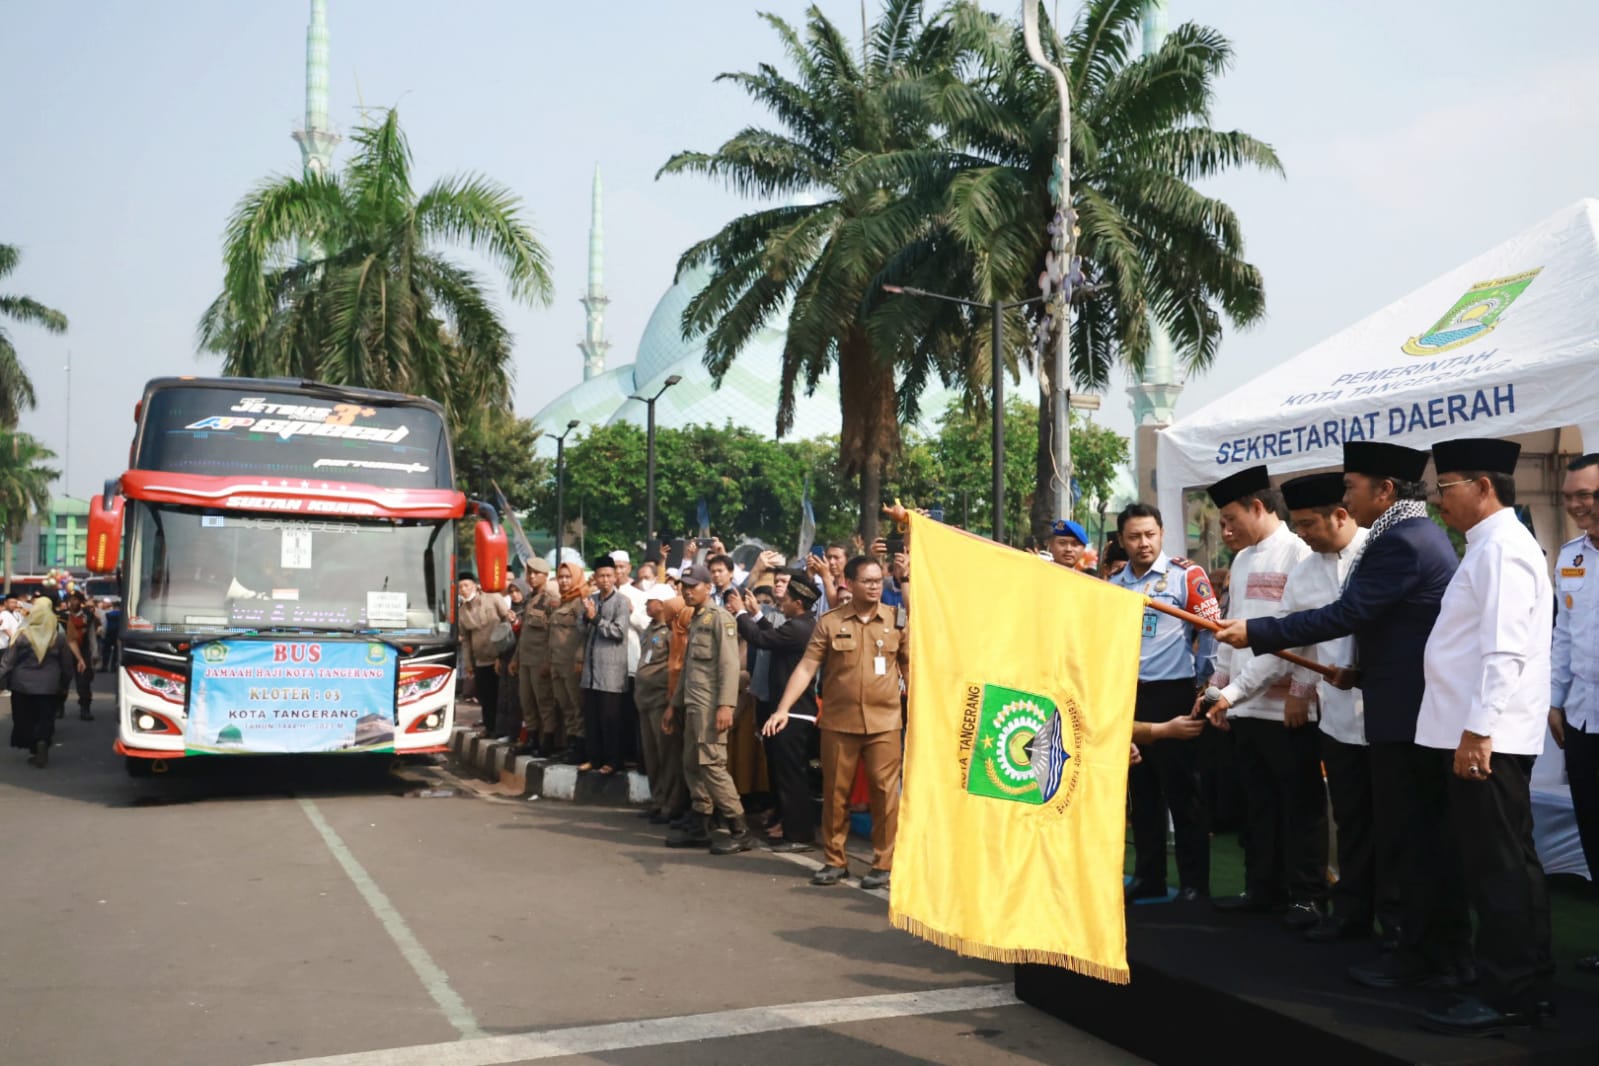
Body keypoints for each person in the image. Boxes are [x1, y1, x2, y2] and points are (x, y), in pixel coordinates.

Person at [1218, 441, 1467, 987]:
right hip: (1362, 712)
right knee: (1362, 825)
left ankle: (1421, 948)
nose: (1347, 497)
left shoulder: (1399, 541)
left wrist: (1260, 633)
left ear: (1384, 491)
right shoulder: (1396, 537)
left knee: (1407, 837)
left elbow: (1351, 615)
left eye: (1351, 488)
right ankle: (1382, 929)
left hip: (1402, 715)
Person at [1416, 438, 1554, 1035]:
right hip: (1478, 734)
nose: (1438, 500)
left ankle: (1510, 993)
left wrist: (1478, 731)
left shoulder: (1501, 549)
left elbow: (1504, 650)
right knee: (1504, 865)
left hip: (1485, 739)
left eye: (1445, 488)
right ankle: (1521, 982)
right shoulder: (1487, 546)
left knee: (1499, 869)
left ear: (1483, 486)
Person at [1200, 466, 1323, 923]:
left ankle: (1306, 896)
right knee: (1258, 804)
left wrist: (1302, 689)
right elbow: (1230, 631)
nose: (1227, 530)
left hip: (1287, 708)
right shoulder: (1243, 559)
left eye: (1232, 519)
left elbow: (1302, 634)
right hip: (1242, 704)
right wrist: (1218, 688)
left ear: (1258, 506)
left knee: (1299, 806)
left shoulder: (1299, 553)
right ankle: (1262, 887)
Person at [1278, 472, 1391, 944]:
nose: (1300, 534)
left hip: (1389, 716)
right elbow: (1294, 637)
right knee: (1351, 822)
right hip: (1339, 718)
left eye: (1307, 524)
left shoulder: (1379, 551)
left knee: (1396, 824)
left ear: (1340, 515)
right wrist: (1304, 686)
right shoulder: (1303, 572)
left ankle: (1401, 925)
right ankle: (1353, 915)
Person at [767, 555, 907, 891]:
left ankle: (883, 863)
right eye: (867, 581)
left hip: (885, 722)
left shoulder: (897, 620)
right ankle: (835, 860)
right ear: (850, 583)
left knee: (885, 794)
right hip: (838, 722)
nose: (875, 586)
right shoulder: (829, 622)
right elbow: (806, 667)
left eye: (878, 580)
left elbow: (910, 667)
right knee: (835, 793)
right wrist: (782, 708)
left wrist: (918, 712)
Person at [1110, 503, 1220, 902]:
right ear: (1122, 540)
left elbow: (1210, 630)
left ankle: (1194, 884)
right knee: (1141, 793)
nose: (1143, 543)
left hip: (1175, 692)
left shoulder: (1185, 575)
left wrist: (1204, 684)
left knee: (1183, 793)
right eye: (1134, 536)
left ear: (1162, 533)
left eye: (1150, 535)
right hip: (1129, 694)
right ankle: (1148, 876)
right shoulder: (1114, 584)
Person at [665, 564, 756, 854]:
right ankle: (701, 823)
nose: (687, 591)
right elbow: (690, 667)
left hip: (711, 706)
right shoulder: (696, 619)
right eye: (684, 586)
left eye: (693, 586)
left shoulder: (720, 619)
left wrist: (726, 705)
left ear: (707, 587)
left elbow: (730, 665)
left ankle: (739, 828)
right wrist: (673, 705)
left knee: (713, 766)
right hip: (694, 705)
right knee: (692, 764)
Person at [1550, 453, 1599, 974]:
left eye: (1586, 494)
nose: (1577, 505)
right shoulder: (1571, 557)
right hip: (1583, 719)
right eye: (1570, 496)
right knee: (1592, 831)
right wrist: (1554, 700)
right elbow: (1563, 636)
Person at [731, 573, 820, 853]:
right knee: (786, 775)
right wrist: (756, 615)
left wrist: (741, 613)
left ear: (798, 603)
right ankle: (792, 830)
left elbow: (761, 639)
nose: (781, 602)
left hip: (793, 713)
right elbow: (770, 634)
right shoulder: (800, 625)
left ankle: (798, 835)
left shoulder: (799, 628)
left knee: (792, 777)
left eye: (786, 600)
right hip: (791, 712)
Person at [2, 596, 74, 768]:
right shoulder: (58, 637)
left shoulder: (22, 635)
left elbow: (7, 662)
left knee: (25, 719)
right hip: (49, 686)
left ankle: (34, 747)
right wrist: (64, 684)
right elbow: (66, 665)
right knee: (45, 718)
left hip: (22, 686)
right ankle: (42, 741)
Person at [635, 585, 686, 824]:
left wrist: (671, 702)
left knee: (667, 754)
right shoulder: (650, 628)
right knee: (652, 754)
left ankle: (671, 804)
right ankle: (657, 800)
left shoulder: (672, 631)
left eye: (651, 601)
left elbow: (675, 667)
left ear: (663, 604)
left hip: (660, 699)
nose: (647, 605)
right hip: (644, 699)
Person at [579, 555, 631, 775]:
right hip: (591, 672)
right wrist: (585, 616)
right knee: (592, 719)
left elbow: (619, 632)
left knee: (611, 720)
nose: (606, 580)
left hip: (611, 673)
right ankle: (594, 758)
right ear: (595, 578)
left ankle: (613, 760)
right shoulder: (590, 599)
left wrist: (595, 619)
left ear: (615, 576)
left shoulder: (621, 602)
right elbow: (579, 631)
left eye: (609, 575)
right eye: (601, 576)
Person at [510, 558, 558, 757]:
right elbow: (526, 634)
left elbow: (554, 635)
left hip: (541, 660)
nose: (531, 577)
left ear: (545, 576)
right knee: (527, 701)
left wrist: (548, 660)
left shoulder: (551, 600)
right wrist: (515, 658)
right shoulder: (529, 598)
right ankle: (531, 738)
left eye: (536, 573)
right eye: (529, 573)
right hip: (526, 659)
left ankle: (547, 741)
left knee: (544, 702)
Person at [456, 573, 512, 738]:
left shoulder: (492, 598)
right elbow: (465, 639)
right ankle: (490, 728)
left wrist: (505, 653)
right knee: (485, 697)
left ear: (475, 585)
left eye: (466, 585)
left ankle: (504, 730)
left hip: (499, 656)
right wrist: (468, 664)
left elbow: (507, 619)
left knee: (501, 696)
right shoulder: (462, 611)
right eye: (460, 587)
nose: (464, 589)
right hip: (480, 659)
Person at [548, 561, 590, 764]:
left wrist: (580, 658)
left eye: (568, 577)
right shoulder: (563, 601)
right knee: (565, 705)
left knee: (577, 706)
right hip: (557, 662)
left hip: (573, 663)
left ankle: (580, 748)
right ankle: (571, 744)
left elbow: (584, 633)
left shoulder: (581, 601)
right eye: (560, 577)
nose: (564, 581)